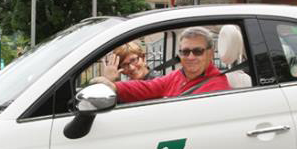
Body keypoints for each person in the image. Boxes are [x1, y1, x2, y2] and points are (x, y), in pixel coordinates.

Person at [92, 27, 230, 103]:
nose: (191, 57)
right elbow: (148, 87)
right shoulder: (178, 76)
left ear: (210, 54)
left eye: (198, 51)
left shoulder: (218, 87)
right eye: (185, 52)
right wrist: (113, 85)